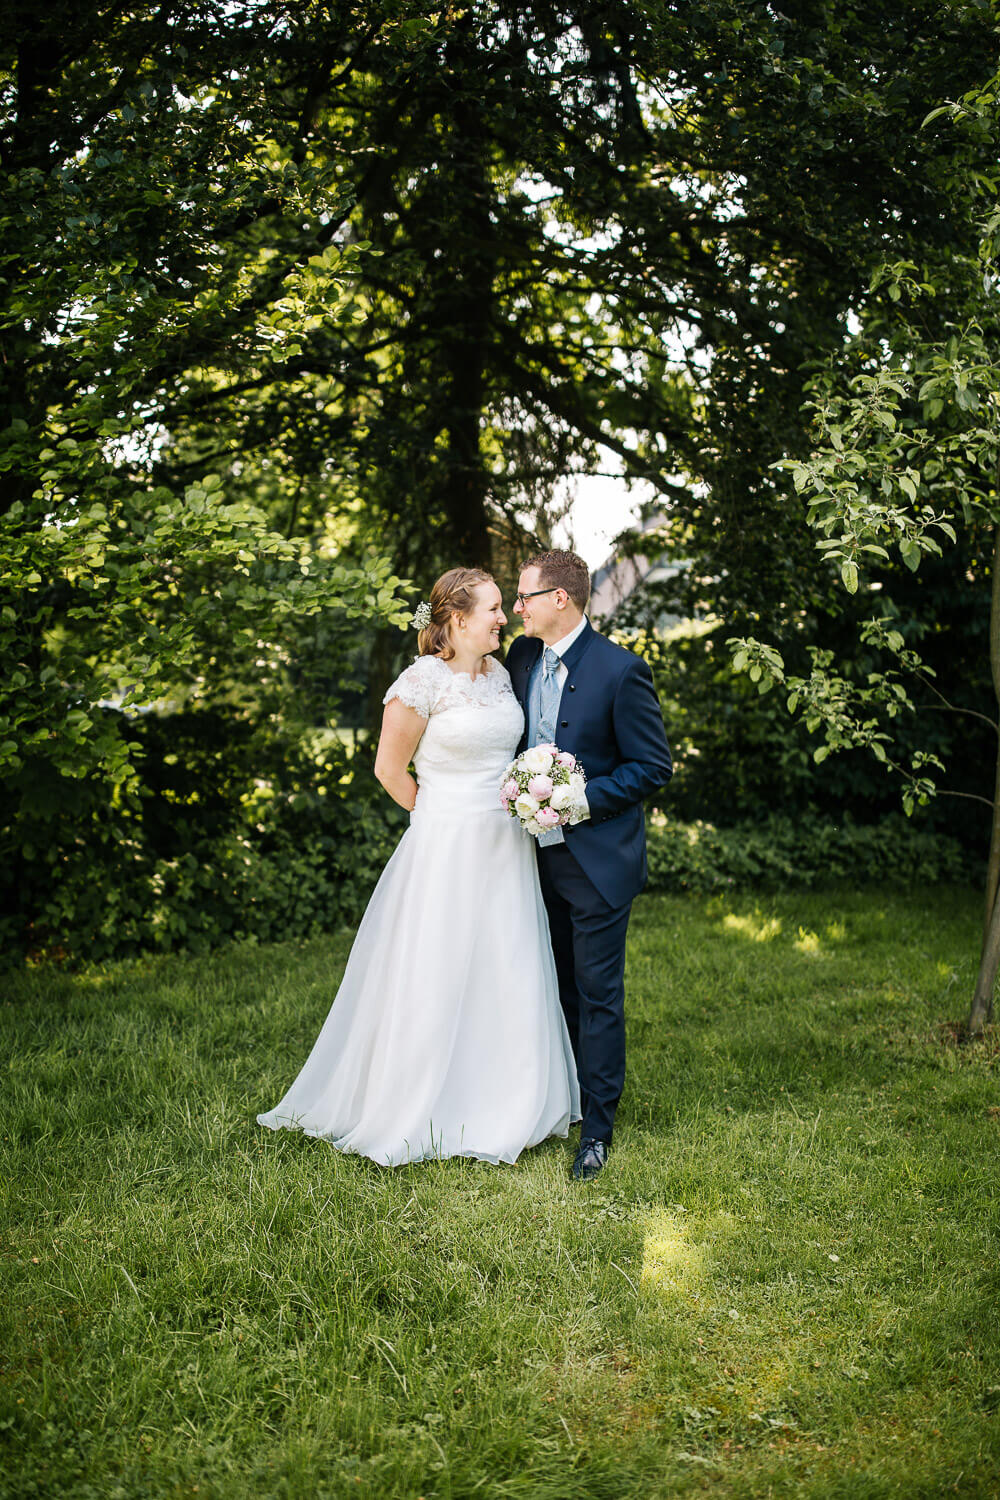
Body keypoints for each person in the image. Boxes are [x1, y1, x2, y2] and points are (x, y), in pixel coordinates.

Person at [257, 567, 580, 1166]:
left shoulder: (504, 676)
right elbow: (389, 770)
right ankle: (419, 1101)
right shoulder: (420, 681)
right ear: (457, 620)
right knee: (437, 965)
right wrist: (438, 814)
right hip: (446, 847)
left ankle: (507, 1098)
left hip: (506, 847)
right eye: (491, 610)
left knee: (505, 963)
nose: (503, 618)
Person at [506, 550, 672, 1181]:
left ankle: (597, 1127)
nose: (518, 608)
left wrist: (581, 797)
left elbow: (653, 767)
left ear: (561, 600)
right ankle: (561, 1096)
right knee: (553, 984)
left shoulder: (622, 671)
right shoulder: (521, 657)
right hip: (527, 858)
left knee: (598, 993)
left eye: (525, 597)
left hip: (597, 859)